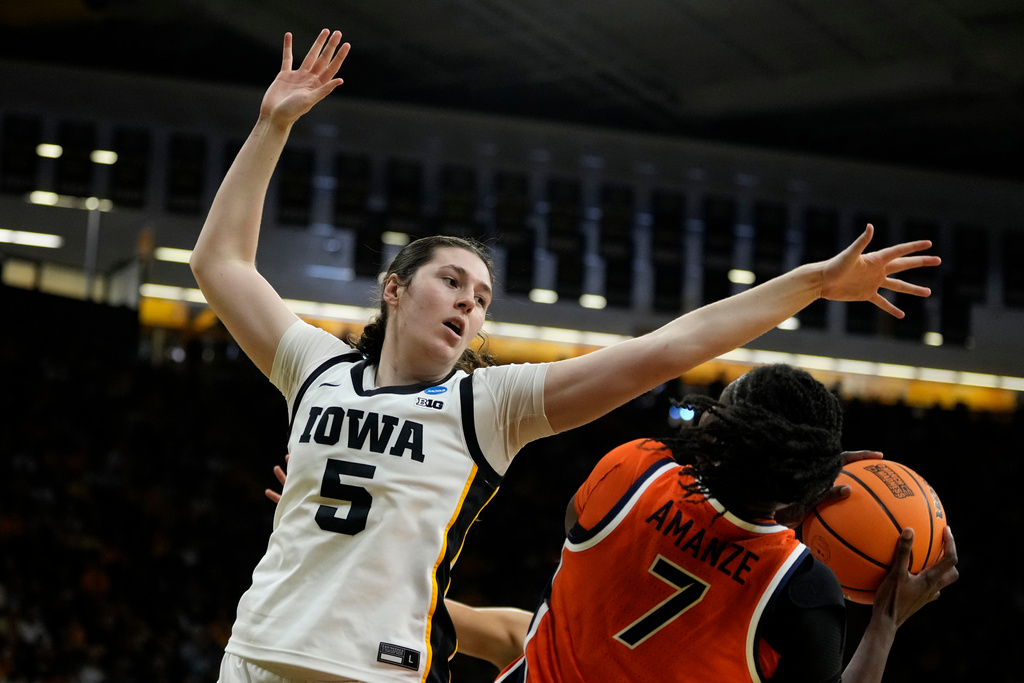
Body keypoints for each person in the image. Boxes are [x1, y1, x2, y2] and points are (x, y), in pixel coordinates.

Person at [189, 26, 941, 683]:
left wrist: (811, 282)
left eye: (481, 297)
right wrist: (271, 125)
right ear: (393, 287)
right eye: (451, 280)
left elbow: (665, 348)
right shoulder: (314, 367)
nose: (468, 302)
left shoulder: (487, 406)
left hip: (375, 670)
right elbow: (219, 264)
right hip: (256, 651)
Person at [492, 364, 959, 683]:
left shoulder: (636, 467)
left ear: (718, 430)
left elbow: (576, 526)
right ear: (809, 476)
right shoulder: (802, 588)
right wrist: (886, 620)